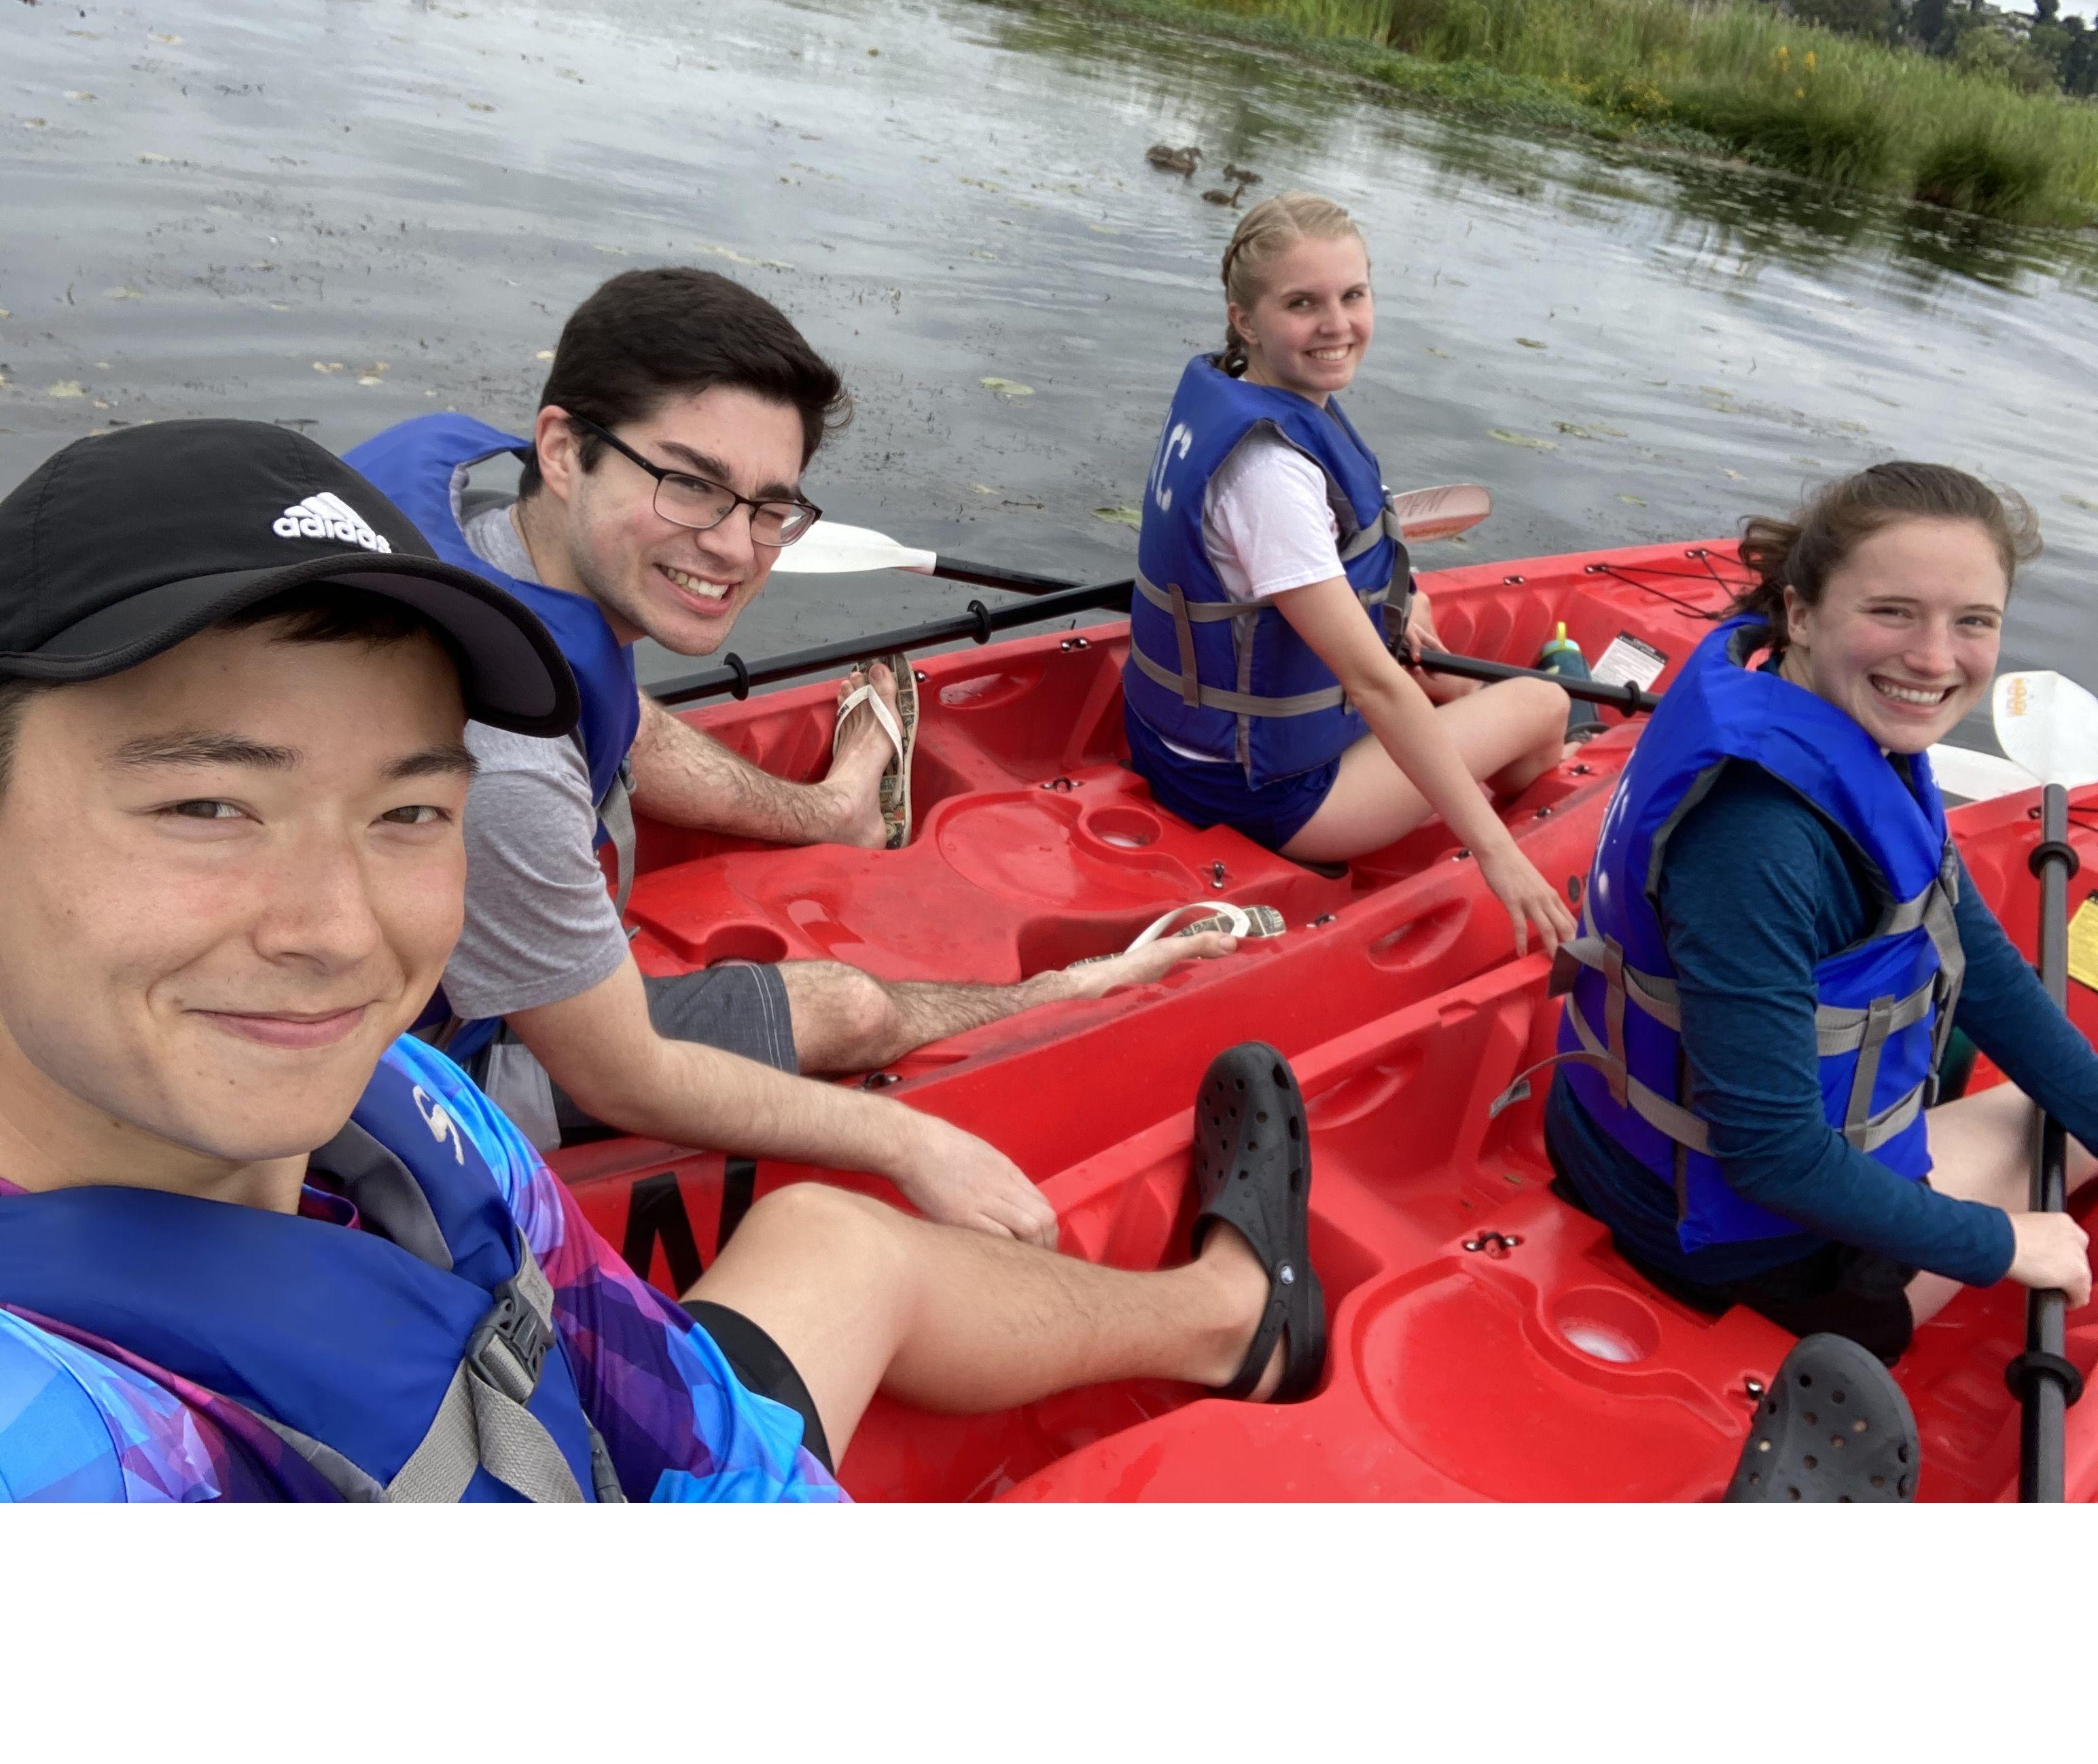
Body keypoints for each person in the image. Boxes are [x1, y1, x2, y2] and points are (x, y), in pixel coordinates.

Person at [0, 421, 1325, 1503]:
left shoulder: (408, 1107)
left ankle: (1231, 1311)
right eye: (205, 808)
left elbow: (687, 1417)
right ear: (570, 453)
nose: (338, 929)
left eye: (406, 810)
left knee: (828, 1239)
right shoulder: (69, 1452)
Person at [346, 269, 1226, 1242]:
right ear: (563, 449)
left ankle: (838, 810)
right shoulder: (507, 767)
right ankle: (1061, 993)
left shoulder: (480, 524)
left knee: (614, 705)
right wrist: (904, 1142)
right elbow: (626, 1074)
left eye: (772, 507)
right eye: (691, 485)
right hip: (413, 1079)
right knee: (846, 1006)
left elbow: (608, 713)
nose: (735, 547)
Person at [1544, 461, 2098, 1365]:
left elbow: (1973, 951)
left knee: (2021, 1068)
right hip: (1730, 1241)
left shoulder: (1828, 723)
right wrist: (2009, 1245)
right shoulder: (1758, 839)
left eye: (1973, 623)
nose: (1932, 657)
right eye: (1892, 611)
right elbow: (1773, 1158)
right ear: (1802, 612)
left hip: (1630, 1150)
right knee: (2058, 1134)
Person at [1122, 192, 1575, 952]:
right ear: (1245, 318)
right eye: (1303, 303)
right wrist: (1502, 856)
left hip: (1181, 736)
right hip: (1264, 794)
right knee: (1542, 701)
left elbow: (1353, 535)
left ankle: (1455, 738)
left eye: (1353, 295)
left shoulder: (1264, 395)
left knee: (1451, 679)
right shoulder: (1268, 471)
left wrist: (1411, 597)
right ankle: (1513, 817)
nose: (1337, 325)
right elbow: (1371, 684)